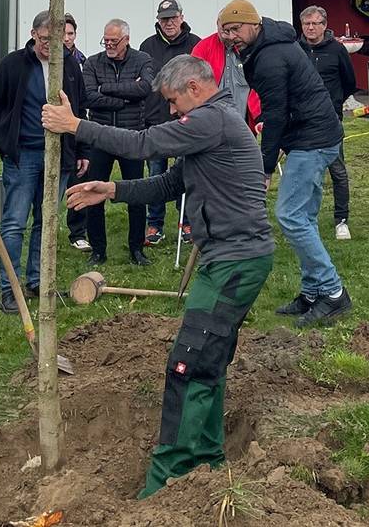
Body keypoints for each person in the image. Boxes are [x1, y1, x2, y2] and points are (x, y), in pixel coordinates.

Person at [41, 55, 274, 499]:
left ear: (193, 85)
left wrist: (76, 126)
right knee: (207, 361)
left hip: (233, 263)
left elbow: (143, 143)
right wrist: (111, 190)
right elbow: (170, 185)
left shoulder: (214, 120)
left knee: (187, 365)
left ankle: (167, 475)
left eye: (171, 101)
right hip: (230, 259)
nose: (171, 110)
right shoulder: (213, 124)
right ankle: (206, 456)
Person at [219, 0, 350, 325]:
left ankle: (333, 293)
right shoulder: (266, 46)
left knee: (290, 216)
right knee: (302, 216)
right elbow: (277, 105)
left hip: (313, 140)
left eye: (235, 29)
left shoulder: (270, 56)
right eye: (225, 31)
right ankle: (312, 292)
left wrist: (264, 168)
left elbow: (277, 112)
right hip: (313, 135)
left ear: (253, 24)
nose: (230, 36)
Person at [0, 9, 86, 313]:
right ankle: (9, 289)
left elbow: (79, 108)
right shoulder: (13, 65)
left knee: (47, 221)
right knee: (14, 222)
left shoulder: (69, 65)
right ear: (33, 34)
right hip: (23, 154)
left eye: (55, 41)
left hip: (59, 155)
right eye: (43, 40)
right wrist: (2, 141)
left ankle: (39, 281)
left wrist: (81, 151)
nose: (48, 47)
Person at [81, 19, 156, 266]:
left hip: (132, 136)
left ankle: (137, 248)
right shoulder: (92, 62)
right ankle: (98, 250)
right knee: (93, 192)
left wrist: (107, 89)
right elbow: (89, 97)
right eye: (106, 40)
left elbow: (145, 88)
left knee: (137, 193)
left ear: (126, 40)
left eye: (114, 41)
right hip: (100, 135)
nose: (109, 45)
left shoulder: (142, 59)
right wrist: (123, 98)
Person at [140, 0, 201, 246]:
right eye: (164, 19)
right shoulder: (147, 46)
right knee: (156, 174)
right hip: (156, 121)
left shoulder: (195, 44)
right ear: (158, 21)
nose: (169, 23)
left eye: (173, 18)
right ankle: (154, 224)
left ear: (182, 18)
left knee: (186, 174)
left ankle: (187, 222)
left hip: (187, 121)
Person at [298, 5, 356, 240]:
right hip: (301, 122)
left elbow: (349, 82)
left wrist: (334, 104)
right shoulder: (295, 49)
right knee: (306, 172)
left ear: (324, 25)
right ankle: (305, 218)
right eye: (306, 24)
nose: (311, 28)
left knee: (337, 171)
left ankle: (341, 219)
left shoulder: (337, 50)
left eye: (315, 23)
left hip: (330, 121)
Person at [63, 12, 90, 251]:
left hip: (74, 132)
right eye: (62, 33)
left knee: (76, 182)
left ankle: (77, 231)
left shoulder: (82, 61)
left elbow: (87, 99)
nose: (67, 38)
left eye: (70, 33)